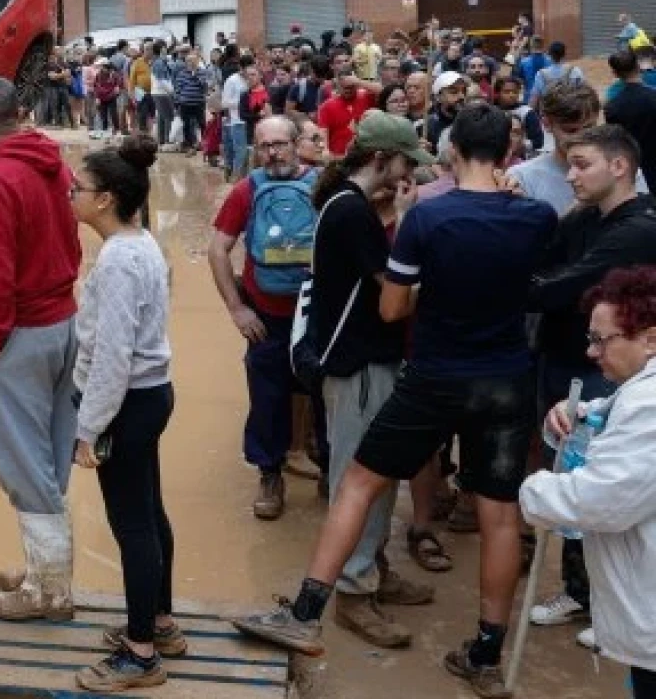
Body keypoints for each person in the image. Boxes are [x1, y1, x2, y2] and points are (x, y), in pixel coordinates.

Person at [233, 103, 558, 697]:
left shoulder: (426, 221)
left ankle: (304, 615)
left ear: (453, 152)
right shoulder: (536, 216)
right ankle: (485, 654)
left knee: (357, 482)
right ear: (510, 155)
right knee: (501, 515)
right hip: (507, 379)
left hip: (433, 374)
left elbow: (390, 308)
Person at [302, 113, 438, 648]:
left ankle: (373, 567)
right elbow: (393, 297)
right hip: (357, 364)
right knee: (358, 479)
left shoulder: (350, 207)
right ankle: (355, 590)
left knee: (376, 476)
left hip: (366, 361)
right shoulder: (352, 213)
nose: (412, 173)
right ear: (381, 159)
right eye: (407, 163)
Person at [523, 126, 656, 638]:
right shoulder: (585, 218)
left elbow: (562, 285)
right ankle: (586, 594)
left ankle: (605, 604)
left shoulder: (638, 229)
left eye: (582, 165)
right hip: (566, 360)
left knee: (603, 482)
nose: (571, 176)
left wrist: (535, 288)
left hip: (608, 370)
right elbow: (546, 264)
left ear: (619, 166)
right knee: (574, 458)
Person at [0, 77, 84, 622]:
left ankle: (50, 592)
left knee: (23, 461)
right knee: (53, 453)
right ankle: (45, 569)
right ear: (21, 112)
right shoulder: (52, 162)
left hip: (22, 331)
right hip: (65, 322)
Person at [65, 135, 181, 692]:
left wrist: (88, 429)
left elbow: (112, 356)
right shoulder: (143, 242)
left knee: (132, 524)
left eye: (78, 188)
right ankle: (160, 622)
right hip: (150, 394)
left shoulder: (116, 261)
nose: (71, 196)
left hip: (127, 402)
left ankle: (140, 655)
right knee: (150, 512)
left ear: (106, 199)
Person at [521, 266, 656, 699]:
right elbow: (619, 413)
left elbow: (600, 502)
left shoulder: (649, 404)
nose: (592, 352)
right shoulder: (638, 392)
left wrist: (532, 488)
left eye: (602, 340)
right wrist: (582, 411)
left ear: (650, 339)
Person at [210, 115, 319, 520]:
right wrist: (237, 309)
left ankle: (323, 464)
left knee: (321, 393)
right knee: (267, 399)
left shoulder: (322, 185)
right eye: (265, 145)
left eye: (280, 144)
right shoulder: (246, 190)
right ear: (256, 149)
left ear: (297, 144)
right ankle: (270, 474)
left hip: (314, 315)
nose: (273, 152)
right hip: (266, 317)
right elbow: (218, 248)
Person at [513, 81, 649, 213]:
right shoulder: (523, 178)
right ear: (547, 124)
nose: (581, 138)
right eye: (571, 130)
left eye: (589, 128)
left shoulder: (620, 169)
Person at [605, 50, 656, 191]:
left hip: (631, 168)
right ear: (638, 67)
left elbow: (615, 142)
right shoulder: (653, 97)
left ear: (615, 74)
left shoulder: (612, 106)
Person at [316, 73, 378, 158]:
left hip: (366, 155)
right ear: (337, 86)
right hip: (339, 157)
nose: (348, 90)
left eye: (351, 86)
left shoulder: (367, 97)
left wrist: (359, 82)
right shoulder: (326, 106)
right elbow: (323, 132)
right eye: (344, 87)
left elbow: (384, 90)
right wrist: (325, 150)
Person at [220, 56, 256, 179]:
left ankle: (246, 180)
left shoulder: (253, 79)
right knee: (240, 153)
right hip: (237, 121)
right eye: (247, 69)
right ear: (240, 68)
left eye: (252, 69)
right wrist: (243, 102)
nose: (250, 73)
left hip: (252, 121)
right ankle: (237, 181)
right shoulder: (232, 80)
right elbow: (224, 102)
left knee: (250, 154)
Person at [493, 77, 543, 156]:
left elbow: (538, 141)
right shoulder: (492, 111)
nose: (511, 95)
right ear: (498, 93)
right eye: (506, 92)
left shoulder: (527, 112)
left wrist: (520, 145)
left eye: (515, 92)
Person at [527, 41, 585, 106]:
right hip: (570, 112)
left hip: (549, 113)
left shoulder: (541, 74)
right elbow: (584, 93)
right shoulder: (575, 71)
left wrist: (528, 113)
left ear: (549, 55)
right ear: (564, 54)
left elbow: (534, 99)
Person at [171, 53, 208, 153]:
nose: (191, 63)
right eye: (189, 61)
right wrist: (177, 103)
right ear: (186, 62)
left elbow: (204, 87)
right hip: (185, 104)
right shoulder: (181, 74)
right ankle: (189, 145)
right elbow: (177, 90)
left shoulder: (203, 72)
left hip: (199, 103)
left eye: (193, 61)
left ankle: (205, 144)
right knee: (186, 125)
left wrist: (195, 75)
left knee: (202, 124)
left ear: (197, 61)